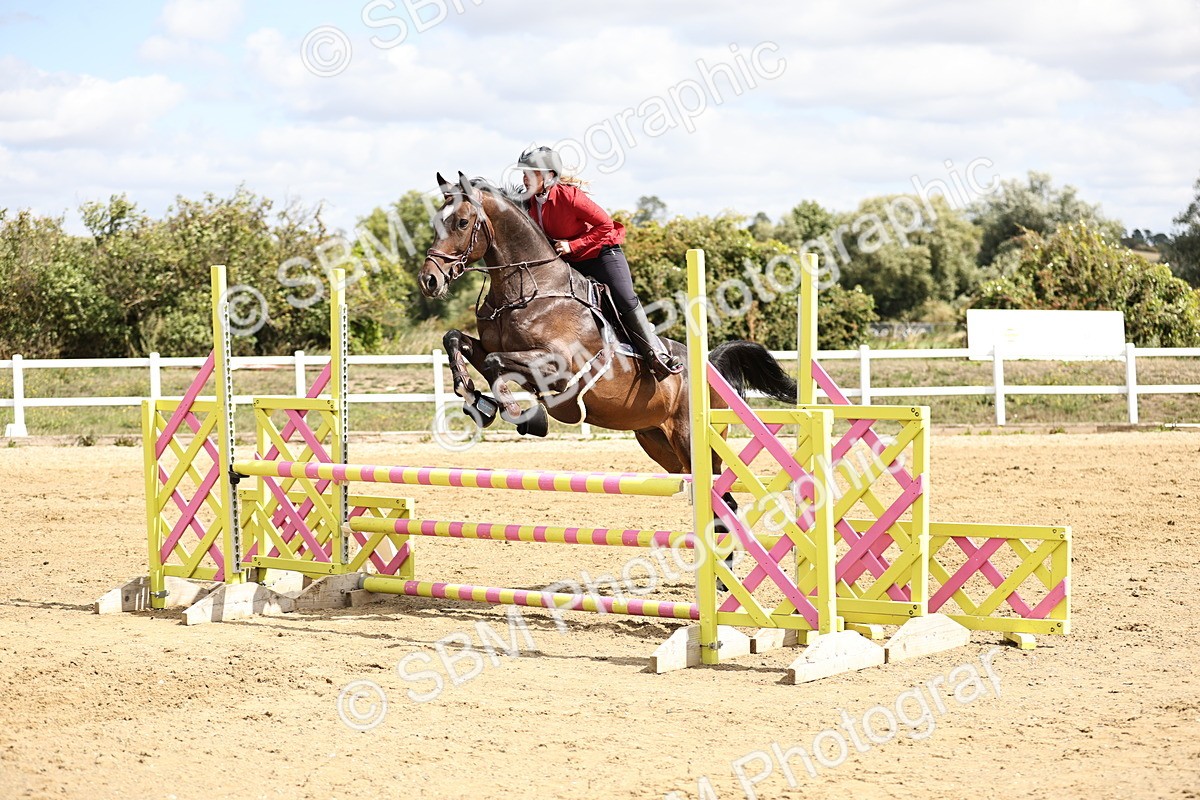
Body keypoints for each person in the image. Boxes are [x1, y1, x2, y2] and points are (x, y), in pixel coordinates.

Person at [512, 145, 684, 380]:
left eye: (531, 174)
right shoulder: (529, 202)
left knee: (625, 298)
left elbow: (606, 225)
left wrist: (573, 245)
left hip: (601, 254)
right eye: (524, 173)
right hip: (571, 261)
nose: (525, 178)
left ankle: (656, 354)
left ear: (550, 175)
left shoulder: (569, 196)